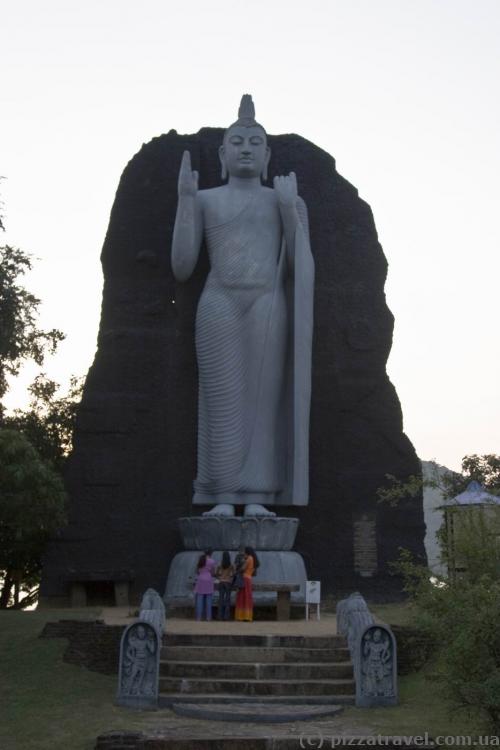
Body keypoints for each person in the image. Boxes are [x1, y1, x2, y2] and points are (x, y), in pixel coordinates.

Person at [171, 94, 314, 518]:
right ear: (222, 153)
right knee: (221, 400)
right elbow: (182, 266)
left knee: (263, 401)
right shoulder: (206, 199)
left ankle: (258, 495)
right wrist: (183, 199)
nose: (246, 148)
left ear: (268, 155)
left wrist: (289, 209)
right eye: (237, 142)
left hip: (267, 302)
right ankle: (220, 493)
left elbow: (300, 269)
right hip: (220, 301)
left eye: (255, 142)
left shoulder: (284, 201)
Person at [234, 546, 259, 622]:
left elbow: (243, 568)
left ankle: (241, 616)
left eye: (245, 551)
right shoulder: (253, 559)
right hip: (249, 578)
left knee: (242, 597)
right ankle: (247, 616)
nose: (244, 552)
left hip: (244, 578)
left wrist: (242, 563)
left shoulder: (249, 559)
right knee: (247, 597)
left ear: (247, 552)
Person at [193, 552, 216, 621]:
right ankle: (208, 618)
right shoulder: (212, 561)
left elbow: (197, 571)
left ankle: (198, 617)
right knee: (209, 600)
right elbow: (213, 573)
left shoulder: (200, 559)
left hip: (200, 580)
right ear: (210, 554)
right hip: (208, 580)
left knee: (199, 600)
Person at [215, 550, 235, 620]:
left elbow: (216, 574)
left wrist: (219, 578)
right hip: (228, 583)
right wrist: (230, 578)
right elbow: (233, 574)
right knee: (227, 600)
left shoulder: (220, 565)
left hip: (221, 582)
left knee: (221, 600)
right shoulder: (231, 565)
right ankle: (226, 616)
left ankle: (220, 616)